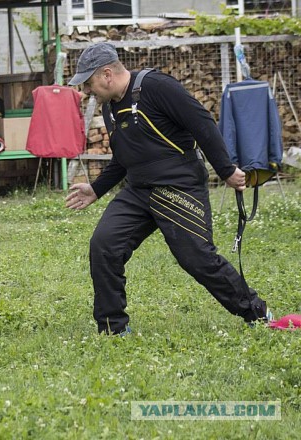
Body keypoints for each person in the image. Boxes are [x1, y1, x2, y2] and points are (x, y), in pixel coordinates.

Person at [64, 42, 272, 335]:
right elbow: (125, 155)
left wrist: (226, 170)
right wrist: (97, 189)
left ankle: (257, 312)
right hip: (138, 191)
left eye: (89, 82)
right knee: (104, 244)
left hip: (178, 187)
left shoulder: (157, 87)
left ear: (107, 74)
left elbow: (202, 124)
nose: (87, 91)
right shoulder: (111, 107)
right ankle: (113, 328)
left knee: (197, 259)